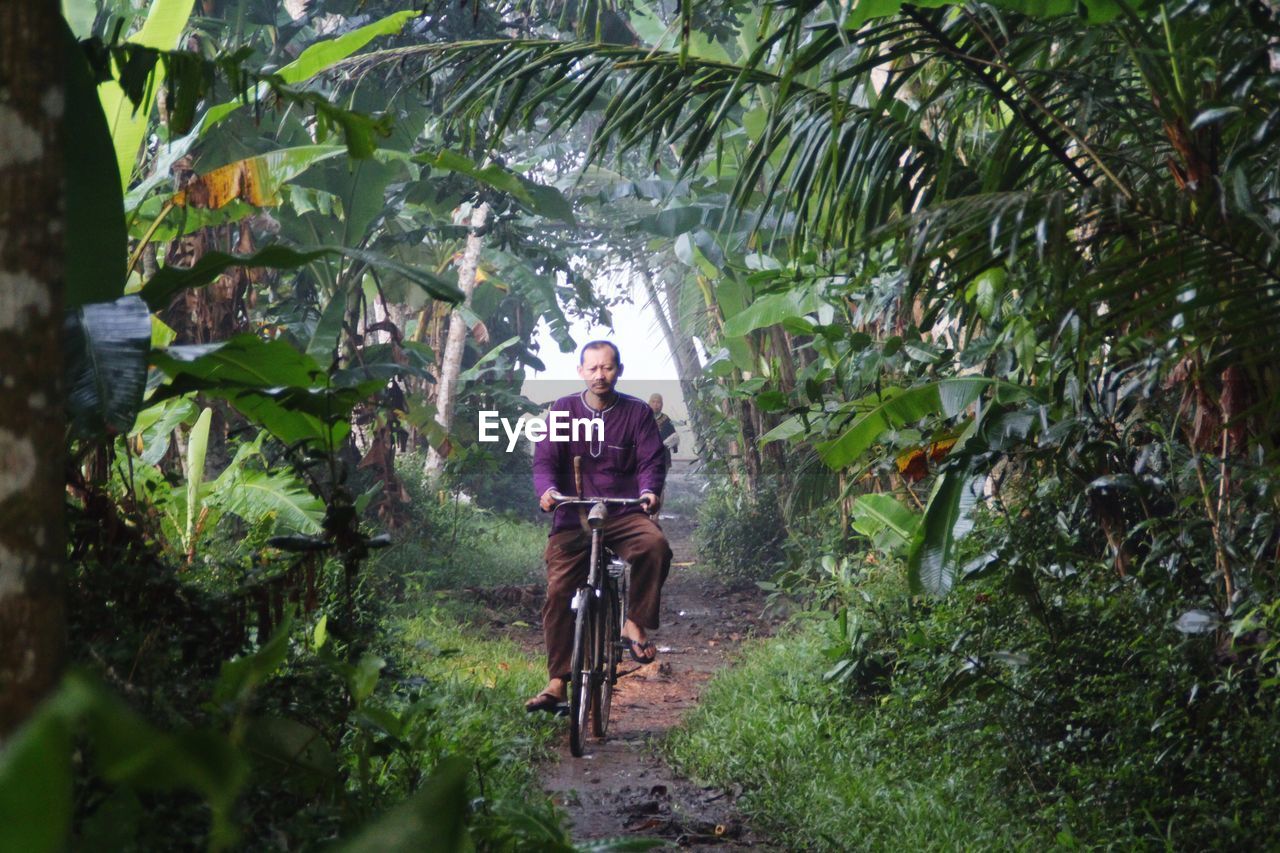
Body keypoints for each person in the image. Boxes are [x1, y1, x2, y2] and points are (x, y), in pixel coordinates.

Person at [524, 341, 673, 713]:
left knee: (655, 546)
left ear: (618, 371)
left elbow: (651, 462)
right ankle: (558, 682)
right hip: (573, 514)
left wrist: (649, 492)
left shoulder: (637, 414)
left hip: (623, 513)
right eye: (592, 368)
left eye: (606, 368)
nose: (599, 375)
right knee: (558, 591)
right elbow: (544, 461)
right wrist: (548, 492)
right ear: (581, 372)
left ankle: (634, 623)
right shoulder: (563, 410)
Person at [649, 393, 679, 468]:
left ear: (662, 405)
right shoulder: (643, 417)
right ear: (649, 403)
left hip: (663, 454)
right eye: (653, 402)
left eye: (658, 402)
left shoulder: (666, 419)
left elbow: (673, 435)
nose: (656, 404)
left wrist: (674, 448)